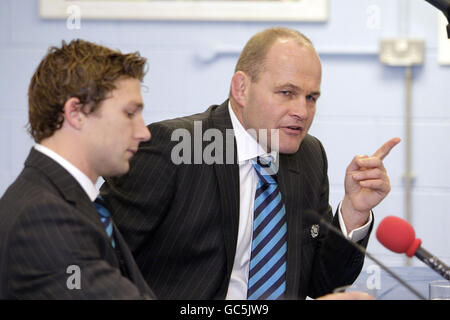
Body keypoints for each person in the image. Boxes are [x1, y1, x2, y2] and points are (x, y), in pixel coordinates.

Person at [101, 27, 400, 300]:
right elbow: (99, 262)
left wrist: (354, 211)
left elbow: (323, 284)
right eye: (287, 93)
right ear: (241, 88)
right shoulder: (176, 146)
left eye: (311, 98)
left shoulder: (309, 155)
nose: (302, 111)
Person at [0, 39, 155, 299]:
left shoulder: (65, 201)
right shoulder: (43, 217)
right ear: (76, 112)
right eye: (129, 113)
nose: (144, 132)